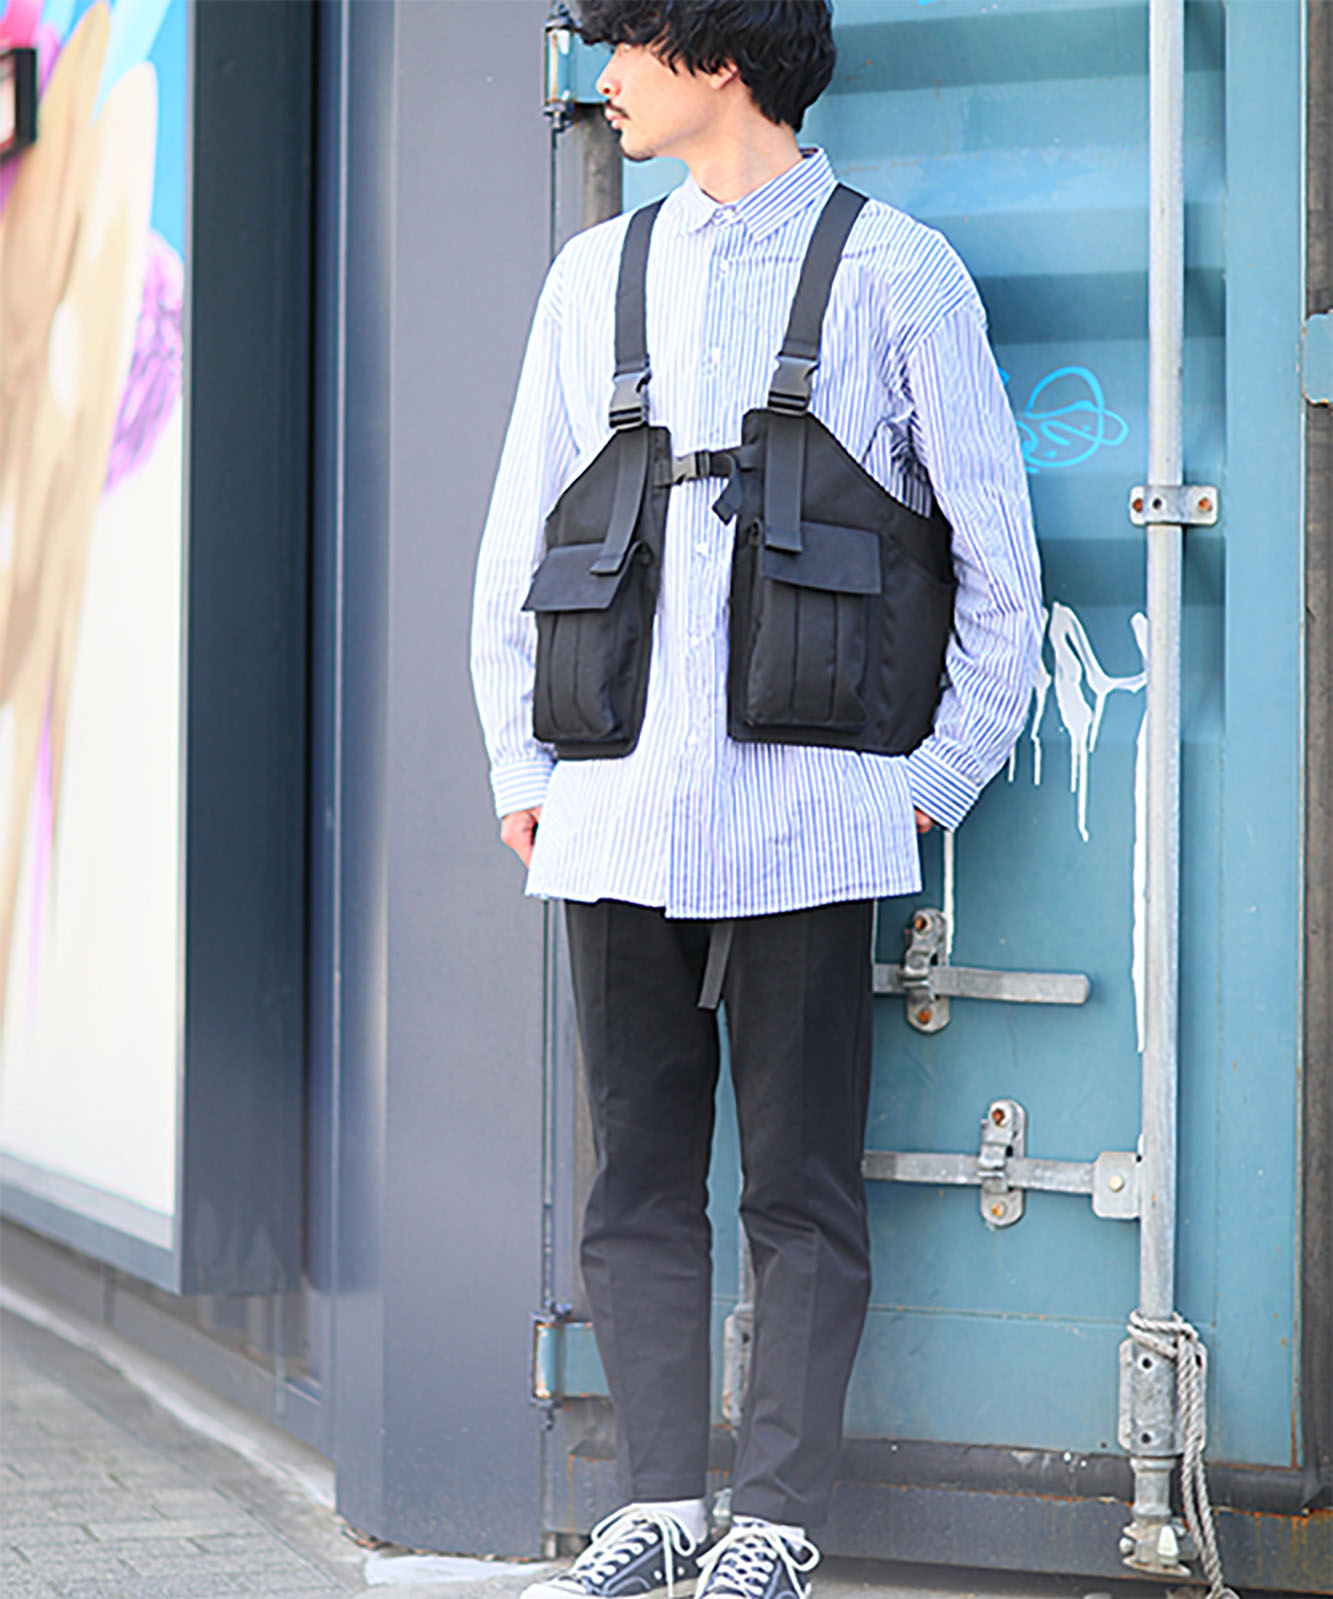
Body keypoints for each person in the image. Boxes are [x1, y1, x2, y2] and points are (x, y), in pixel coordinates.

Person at [470, 5, 1043, 1599]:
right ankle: (657, 1504)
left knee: (799, 1186)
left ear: (716, 57)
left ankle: (775, 1522)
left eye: (627, 42)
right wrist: (522, 763)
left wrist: (931, 779)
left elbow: (997, 564)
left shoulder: (898, 273)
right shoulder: (593, 278)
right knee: (637, 1178)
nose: (600, 77)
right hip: (609, 809)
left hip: (810, 816)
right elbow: (520, 540)